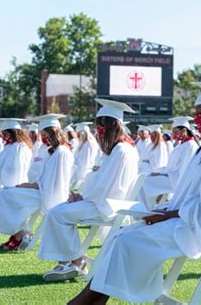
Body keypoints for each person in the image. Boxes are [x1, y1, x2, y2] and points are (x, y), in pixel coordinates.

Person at [68, 82, 201, 304]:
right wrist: (165, 211)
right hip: (186, 220)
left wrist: (169, 215)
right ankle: (94, 299)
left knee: (127, 240)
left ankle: (85, 300)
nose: (197, 119)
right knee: (119, 235)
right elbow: (192, 197)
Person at [40, 99, 139, 282]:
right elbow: (103, 180)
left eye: (102, 125)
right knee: (58, 211)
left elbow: (104, 185)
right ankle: (70, 261)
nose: (99, 131)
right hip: (105, 201)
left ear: (112, 126)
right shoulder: (122, 148)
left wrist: (84, 193)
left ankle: (76, 261)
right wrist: (90, 184)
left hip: (106, 205)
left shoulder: (121, 151)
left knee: (57, 214)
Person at [0, 114, 73, 250]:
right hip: (42, 190)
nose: (43, 138)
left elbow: (54, 183)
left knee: (6, 195)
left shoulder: (61, 152)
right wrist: (29, 185)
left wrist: (32, 185)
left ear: (53, 133)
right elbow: (43, 176)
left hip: (50, 196)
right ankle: (19, 233)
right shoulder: (51, 151)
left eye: (45, 134)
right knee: (5, 192)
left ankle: (20, 234)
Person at [137, 116, 198, 210]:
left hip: (177, 181)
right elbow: (171, 166)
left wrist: (166, 174)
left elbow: (184, 171)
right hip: (170, 176)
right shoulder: (181, 145)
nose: (173, 134)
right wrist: (160, 172)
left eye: (175, 132)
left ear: (184, 131)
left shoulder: (190, 146)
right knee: (145, 179)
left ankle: (147, 209)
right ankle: (148, 207)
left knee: (144, 182)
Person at [71, 122, 100, 189]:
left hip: (83, 175)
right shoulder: (84, 143)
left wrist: (79, 179)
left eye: (79, 134)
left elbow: (85, 163)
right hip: (82, 174)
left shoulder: (88, 145)